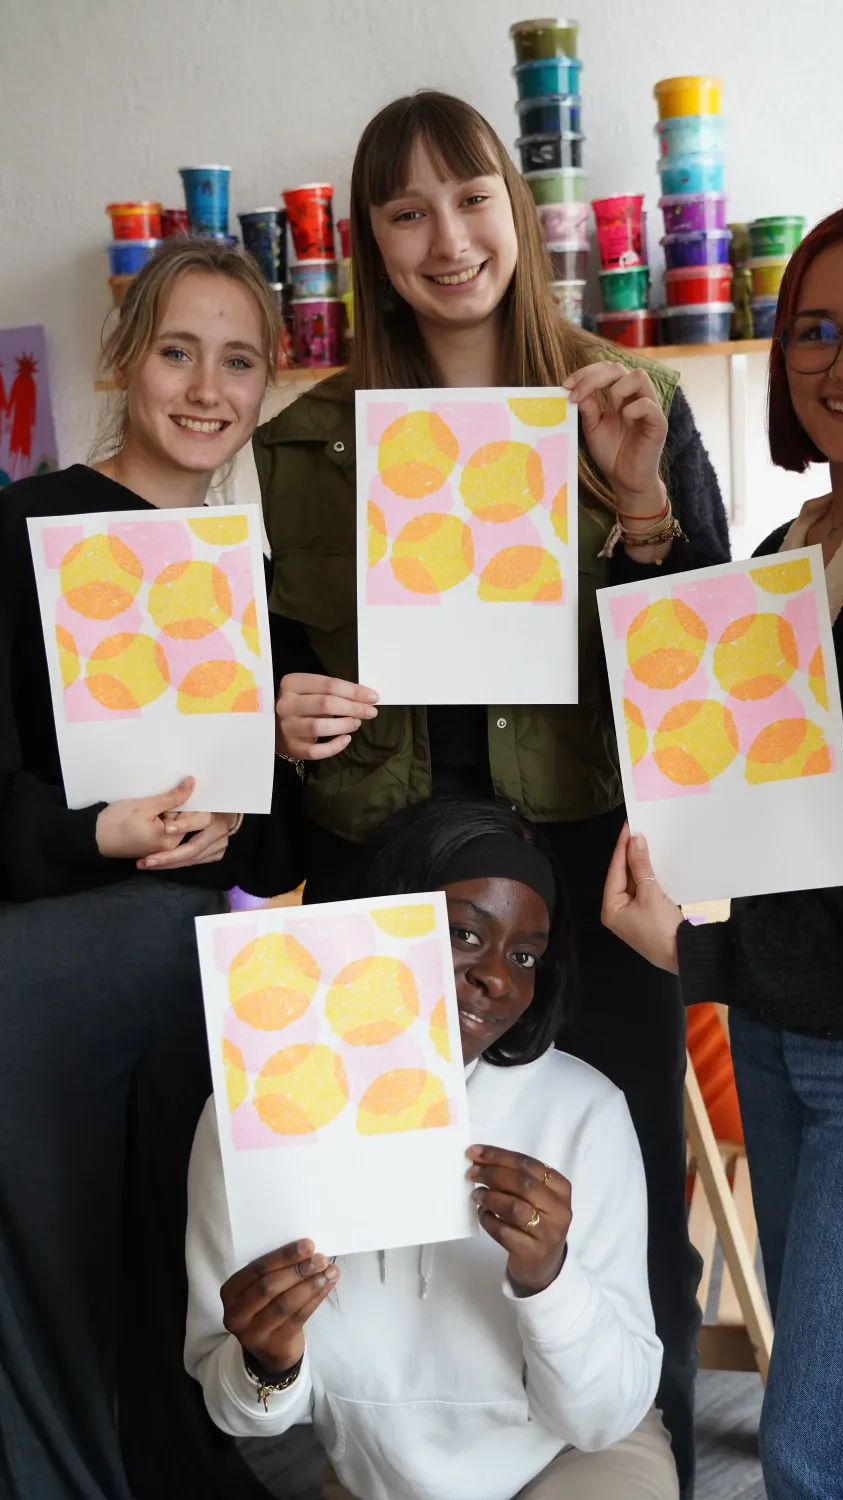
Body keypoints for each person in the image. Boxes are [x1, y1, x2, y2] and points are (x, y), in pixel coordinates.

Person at [259, 91, 730, 1494]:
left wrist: (638, 501)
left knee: (627, 1186)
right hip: (380, 868)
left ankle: (642, 1460)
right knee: (372, 1203)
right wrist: (280, 718)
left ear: (517, 213)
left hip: (585, 870)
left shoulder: (631, 396)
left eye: (470, 200)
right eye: (406, 212)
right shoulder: (306, 438)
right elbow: (269, 683)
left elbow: (707, 674)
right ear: (370, 242)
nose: (447, 239)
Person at [600, 199, 843, 1500]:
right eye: (816, 332)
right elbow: (695, 711)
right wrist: (643, 500)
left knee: (822, 1450)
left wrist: (701, 954)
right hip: (787, 1015)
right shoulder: (796, 546)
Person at [0, 238, 301, 1500]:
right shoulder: (23, 527)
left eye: (238, 361)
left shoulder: (249, 573)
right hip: (47, 972)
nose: (206, 388)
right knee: (54, 1286)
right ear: (125, 358)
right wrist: (95, 833)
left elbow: (270, 851)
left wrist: (268, 770)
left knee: (177, 1270)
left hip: (189, 974)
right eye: (178, 351)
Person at [186, 795, 678, 1500]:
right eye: (464, 934)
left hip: (574, 1458)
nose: (498, 978)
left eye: (525, 956)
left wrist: (550, 1277)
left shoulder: (584, 1112)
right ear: (376, 921)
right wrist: (269, 1364)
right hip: (381, 1478)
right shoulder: (256, 1113)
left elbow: (602, 1418)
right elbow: (243, 1413)